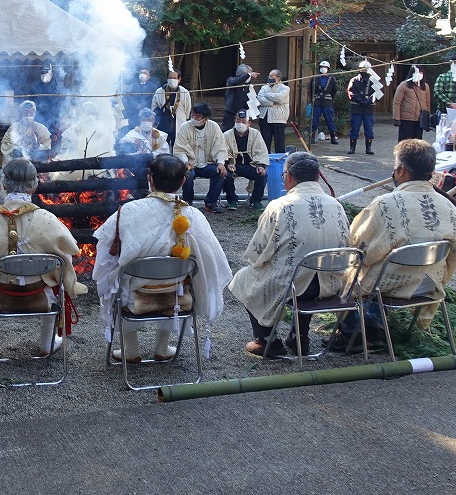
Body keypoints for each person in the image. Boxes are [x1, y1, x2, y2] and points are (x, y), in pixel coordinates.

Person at [330, 140, 456, 353]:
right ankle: (375, 323)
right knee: (382, 261)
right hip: (428, 283)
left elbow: (357, 245)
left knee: (351, 268)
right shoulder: (447, 205)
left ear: (401, 170)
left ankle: (354, 329)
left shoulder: (385, 204)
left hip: (388, 284)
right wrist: (441, 275)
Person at [92, 154, 231, 362]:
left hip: (133, 294)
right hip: (176, 292)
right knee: (177, 278)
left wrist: (108, 276)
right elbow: (213, 259)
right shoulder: (192, 215)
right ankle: (161, 347)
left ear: (150, 179)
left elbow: (104, 254)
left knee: (116, 277)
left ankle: (131, 349)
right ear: (183, 182)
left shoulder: (129, 211)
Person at [228, 152, 350, 357]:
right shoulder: (336, 205)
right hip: (332, 283)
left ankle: (267, 340)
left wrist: (262, 264)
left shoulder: (279, 206)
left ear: (289, 176)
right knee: (305, 270)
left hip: (294, 286)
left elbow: (258, 252)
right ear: (318, 177)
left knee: (244, 277)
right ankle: (299, 336)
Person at [0, 158, 80, 355]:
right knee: (57, 279)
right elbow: (67, 256)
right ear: (34, 187)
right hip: (40, 294)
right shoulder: (48, 219)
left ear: (4, 185)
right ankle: (47, 343)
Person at [174, 102, 228, 213]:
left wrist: (221, 162)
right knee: (188, 174)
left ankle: (211, 202)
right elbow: (179, 148)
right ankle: (188, 201)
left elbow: (220, 146)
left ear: (205, 118)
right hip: (191, 164)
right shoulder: (184, 127)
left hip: (207, 163)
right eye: (193, 114)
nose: (194, 117)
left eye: (198, 116)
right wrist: (185, 162)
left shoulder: (214, 127)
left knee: (219, 172)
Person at [223, 111, 270, 211]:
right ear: (234, 121)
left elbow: (261, 151)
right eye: (238, 121)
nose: (240, 124)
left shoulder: (256, 134)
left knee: (262, 174)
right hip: (233, 165)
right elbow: (223, 151)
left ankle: (255, 200)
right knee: (226, 175)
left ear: (249, 123)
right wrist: (228, 163)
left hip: (251, 165)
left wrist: (260, 165)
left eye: (244, 122)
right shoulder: (226, 135)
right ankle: (232, 200)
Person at [151, 70, 191, 147]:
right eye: (170, 78)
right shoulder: (160, 91)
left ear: (179, 79)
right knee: (162, 144)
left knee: (178, 145)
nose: (172, 80)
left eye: (174, 78)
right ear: (167, 79)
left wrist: (183, 118)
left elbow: (187, 109)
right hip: (164, 121)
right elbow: (154, 105)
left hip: (179, 121)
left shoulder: (184, 92)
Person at [393, 66, 431, 142]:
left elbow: (427, 103)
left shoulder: (425, 86)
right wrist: (396, 118)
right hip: (406, 119)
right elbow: (397, 102)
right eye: (417, 72)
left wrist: (427, 117)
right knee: (405, 141)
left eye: (421, 72)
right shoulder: (404, 85)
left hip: (420, 119)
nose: (419, 74)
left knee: (417, 142)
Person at [256, 69, 290, 154]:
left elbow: (280, 98)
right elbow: (259, 99)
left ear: (278, 77)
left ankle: (279, 161)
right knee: (265, 142)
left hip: (278, 118)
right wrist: (272, 102)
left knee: (279, 142)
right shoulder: (264, 87)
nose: (270, 78)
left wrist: (266, 95)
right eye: (269, 76)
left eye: (272, 76)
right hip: (265, 117)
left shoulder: (285, 88)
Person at [346, 61, 376, 155]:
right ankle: (352, 148)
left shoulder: (373, 81)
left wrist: (369, 100)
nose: (364, 71)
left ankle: (368, 148)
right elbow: (351, 92)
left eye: (366, 69)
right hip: (356, 107)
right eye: (362, 69)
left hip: (368, 108)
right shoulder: (354, 80)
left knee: (369, 129)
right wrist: (360, 100)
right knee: (354, 128)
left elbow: (378, 93)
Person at [308, 61, 339, 145]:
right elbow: (310, 90)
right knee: (314, 120)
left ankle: (333, 137)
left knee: (329, 119)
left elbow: (334, 90)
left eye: (325, 67)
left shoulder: (331, 79)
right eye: (322, 67)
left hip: (327, 102)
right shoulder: (315, 78)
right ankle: (312, 137)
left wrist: (330, 98)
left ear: (328, 69)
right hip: (317, 101)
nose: (323, 68)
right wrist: (312, 99)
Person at [27, 63, 62, 133]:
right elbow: (30, 104)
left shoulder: (57, 88)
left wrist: (57, 120)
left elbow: (60, 106)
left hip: (53, 122)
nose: (44, 75)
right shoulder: (35, 88)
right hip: (39, 120)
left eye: (46, 73)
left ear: (51, 74)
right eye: (42, 73)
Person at [222, 64, 256, 130]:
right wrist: (248, 75)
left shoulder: (248, 85)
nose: (249, 77)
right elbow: (236, 81)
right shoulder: (231, 80)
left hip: (243, 113)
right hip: (231, 113)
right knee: (227, 131)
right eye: (248, 74)